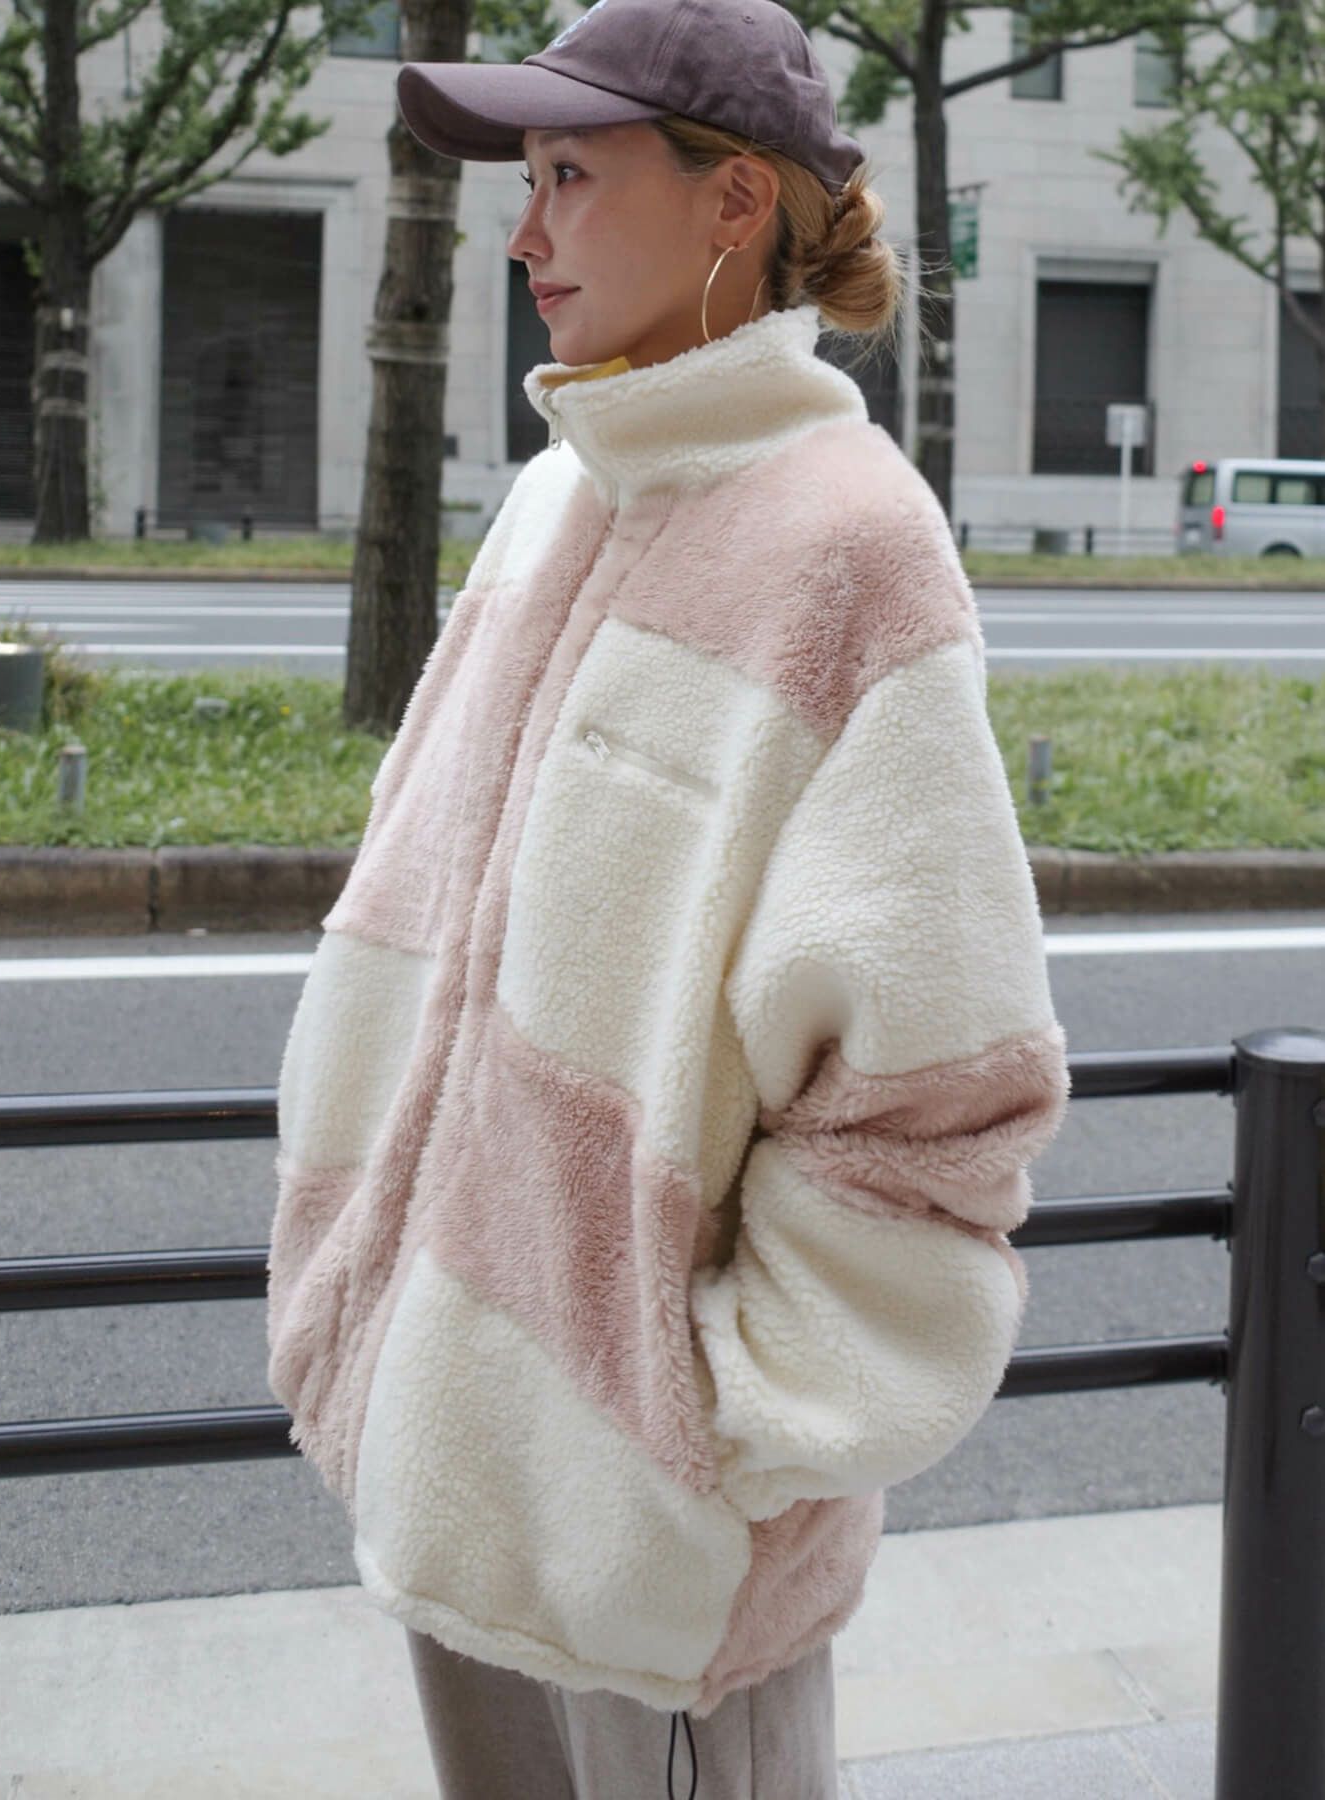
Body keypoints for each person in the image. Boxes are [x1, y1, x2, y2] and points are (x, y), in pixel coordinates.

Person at [264, 1, 1072, 1794]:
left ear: (733, 204)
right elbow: (412, 920)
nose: (523, 231)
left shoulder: (851, 548)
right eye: (525, 180)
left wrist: (713, 1440)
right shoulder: (552, 500)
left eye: (569, 175)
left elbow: (941, 1094)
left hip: (666, 1565)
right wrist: (348, 1277)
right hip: (446, 1461)